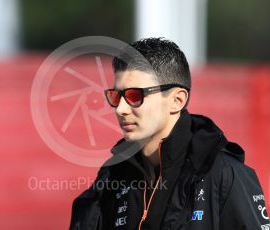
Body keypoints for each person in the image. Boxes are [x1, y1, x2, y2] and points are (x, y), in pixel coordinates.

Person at [70, 37, 269, 229]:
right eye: (115, 96)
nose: (120, 109)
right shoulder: (111, 177)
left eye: (134, 95)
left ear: (177, 100)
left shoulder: (224, 175)